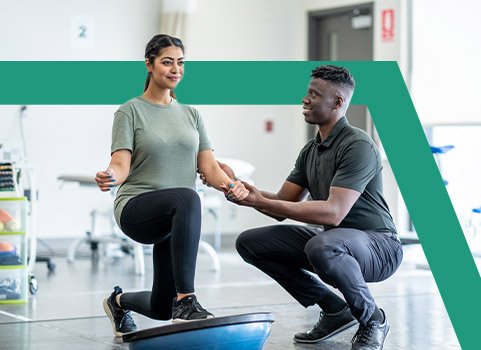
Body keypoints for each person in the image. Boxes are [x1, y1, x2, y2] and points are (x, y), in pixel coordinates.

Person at [223, 65, 403, 350]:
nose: (305, 100)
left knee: (323, 245)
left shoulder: (358, 145)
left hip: (379, 246)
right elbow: (283, 205)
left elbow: (334, 212)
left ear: (338, 103)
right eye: (307, 94)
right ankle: (334, 310)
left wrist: (262, 200)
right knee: (250, 243)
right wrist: (243, 191)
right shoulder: (311, 150)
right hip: (333, 241)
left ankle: (372, 320)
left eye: (314, 95)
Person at [95, 34, 248, 337]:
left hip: (174, 215)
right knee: (189, 198)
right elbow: (121, 164)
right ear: (149, 65)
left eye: (180, 63)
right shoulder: (130, 111)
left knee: (160, 308)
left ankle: (118, 301)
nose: (176, 69)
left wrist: (233, 186)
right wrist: (110, 175)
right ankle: (187, 300)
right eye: (167, 62)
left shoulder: (191, 114)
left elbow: (209, 167)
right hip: (137, 208)